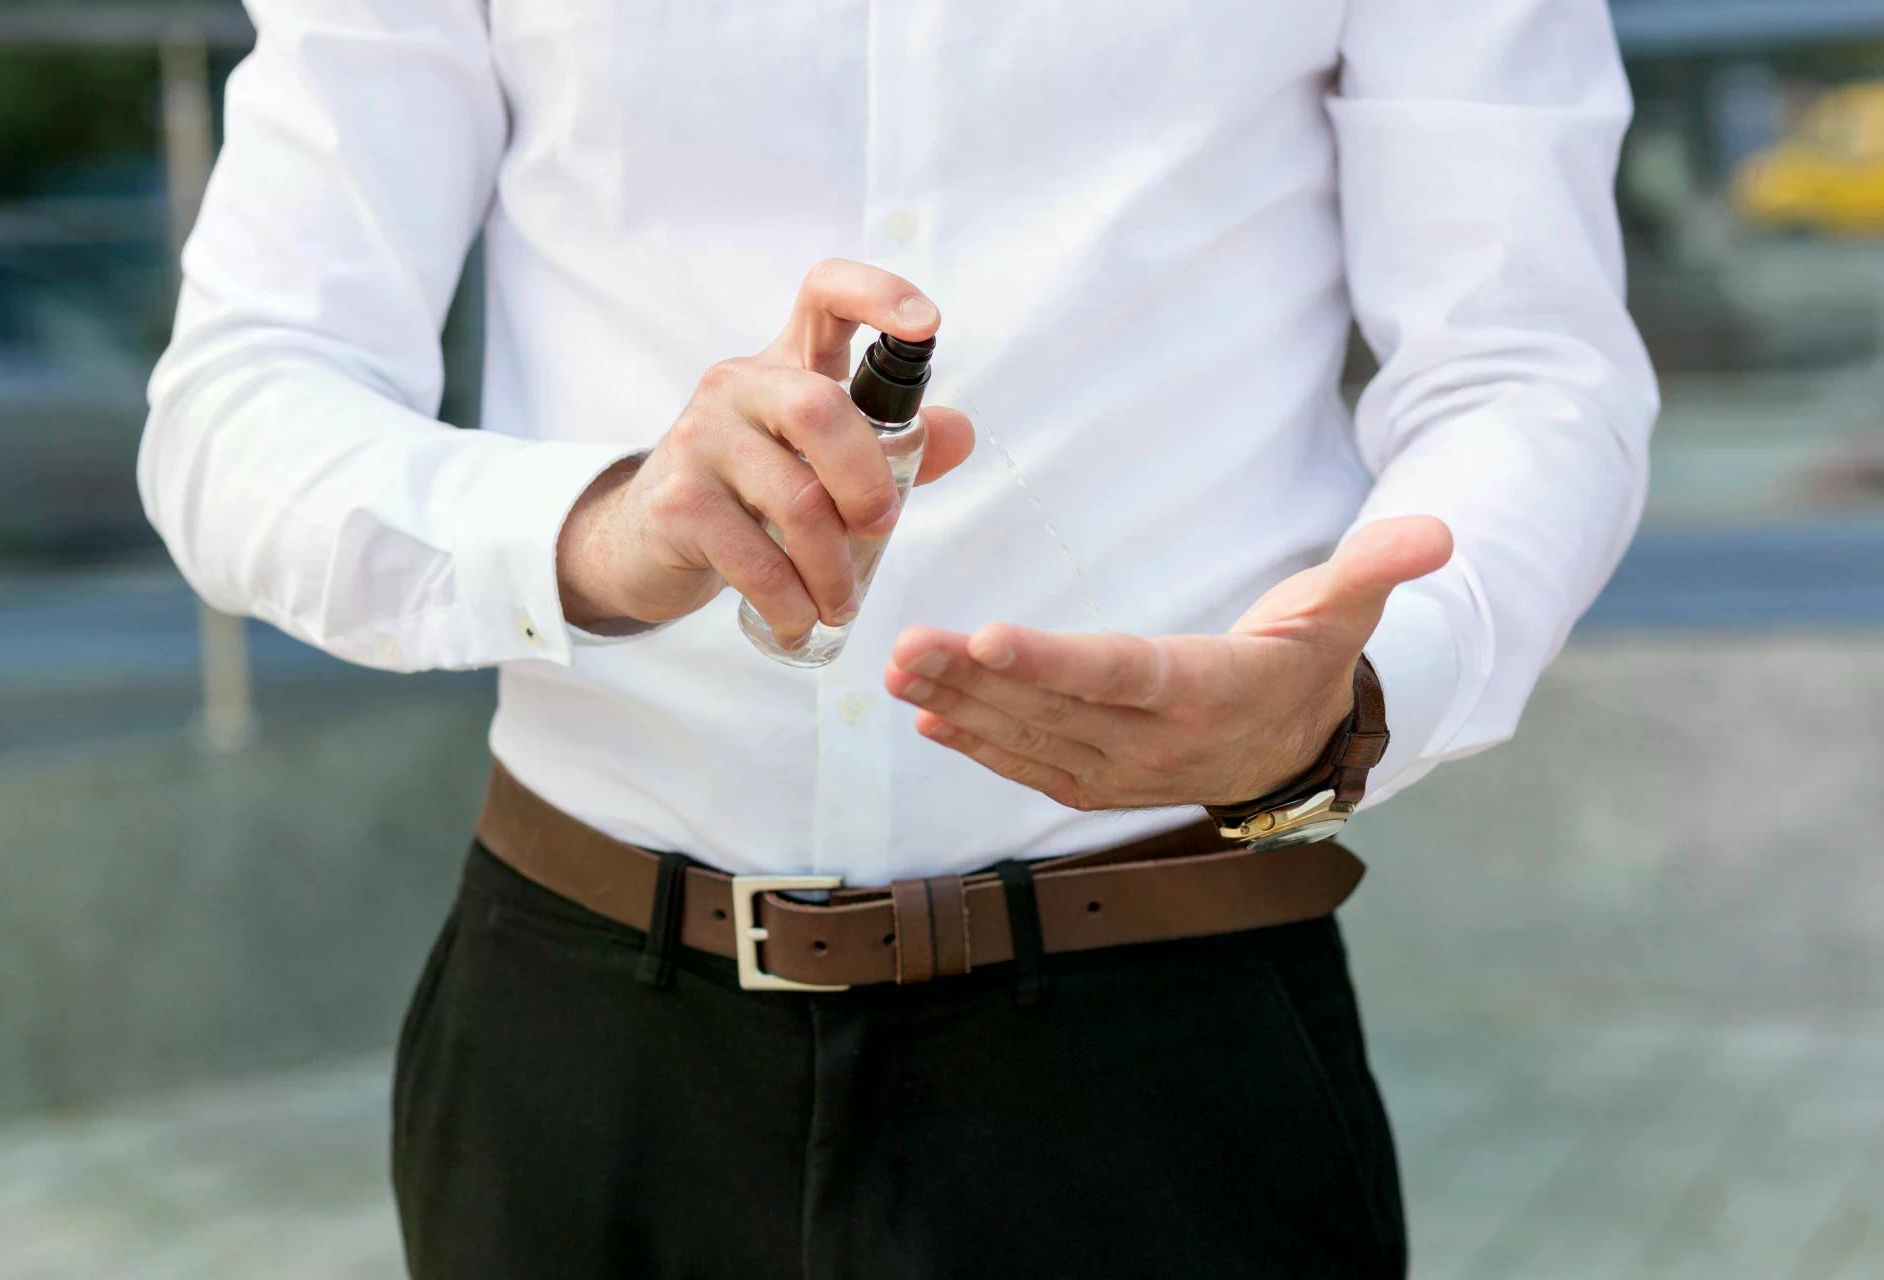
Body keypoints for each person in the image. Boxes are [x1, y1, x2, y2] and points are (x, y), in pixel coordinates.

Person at [140, 1, 1657, 1276]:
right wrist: (601, 533)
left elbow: (1526, 364)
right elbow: (243, 398)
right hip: (582, 1061)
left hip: (1168, 1055)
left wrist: (1356, 701)